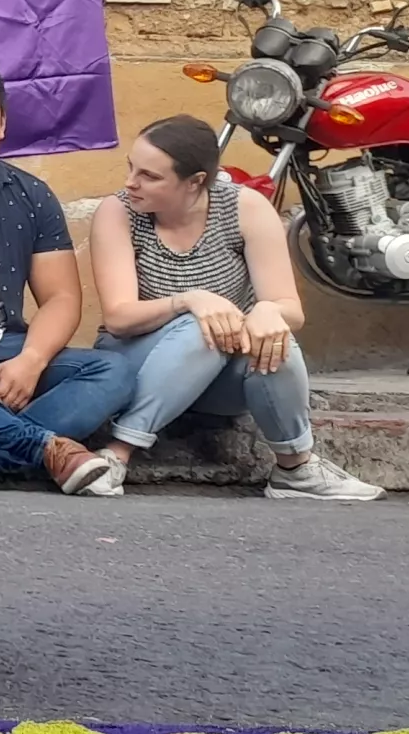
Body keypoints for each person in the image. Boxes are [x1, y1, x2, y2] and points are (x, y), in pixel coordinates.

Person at [87, 116, 382, 500]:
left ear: (194, 181)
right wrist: (189, 300)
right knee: (203, 325)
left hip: (216, 372)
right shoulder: (119, 212)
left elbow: (290, 308)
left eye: (149, 176)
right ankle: (117, 454)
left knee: (276, 339)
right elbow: (119, 318)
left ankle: (296, 468)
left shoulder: (244, 208)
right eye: (131, 168)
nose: (131, 182)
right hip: (135, 361)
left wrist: (267, 312)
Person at [0, 54, 135, 494]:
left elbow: (60, 298)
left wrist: (30, 362)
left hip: (3, 344)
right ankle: (43, 450)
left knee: (112, 371)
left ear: (2, 125)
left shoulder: (29, 194)